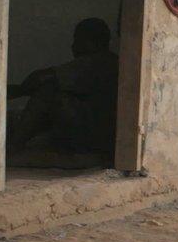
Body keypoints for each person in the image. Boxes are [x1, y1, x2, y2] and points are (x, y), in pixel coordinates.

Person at [7, 18, 119, 157]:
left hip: (97, 136)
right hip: (105, 135)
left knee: (48, 91)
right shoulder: (112, 61)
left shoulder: (94, 61)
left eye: (77, 40)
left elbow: (42, 78)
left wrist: (19, 90)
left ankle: (14, 146)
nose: (73, 46)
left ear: (90, 42)